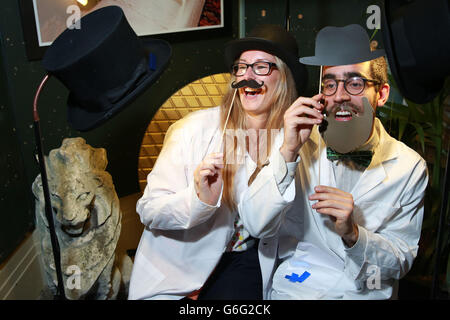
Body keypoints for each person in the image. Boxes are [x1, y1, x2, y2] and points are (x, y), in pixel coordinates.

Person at [128, 24, 313, 300]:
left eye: (261, 67)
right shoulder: (191, 130)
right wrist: (199, 200)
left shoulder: (295, 141)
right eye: (241, 67)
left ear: (283, 78)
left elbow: (291, 226)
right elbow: (149, 210)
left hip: (248, 262)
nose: (247, 76)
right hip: (178, 269)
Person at [270, 24, 429, 299]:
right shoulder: (297, 145)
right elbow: (259, 225)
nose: (340, 95)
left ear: (381, 94)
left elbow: (401, 259)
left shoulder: (409, 167)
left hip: (367, 290)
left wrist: (354, 233)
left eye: (355, 83)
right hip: (298, 288)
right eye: (330, 84)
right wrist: (287, 152)